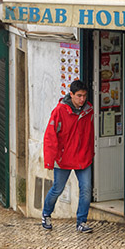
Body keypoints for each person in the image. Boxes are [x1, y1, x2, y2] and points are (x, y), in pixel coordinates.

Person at [41, 80, 95, 233]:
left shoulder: (88, 110)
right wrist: (49, 161)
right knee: (57, 189)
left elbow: (90, 133)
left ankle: (81, 221)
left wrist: (91, 152)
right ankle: (46, 214)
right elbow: (50, 136)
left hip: (83, 157)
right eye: (78, 96)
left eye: (84, 96)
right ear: (71, 94)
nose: (82, 99)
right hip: (63, 158)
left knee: (86, 189)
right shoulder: (59, 111)